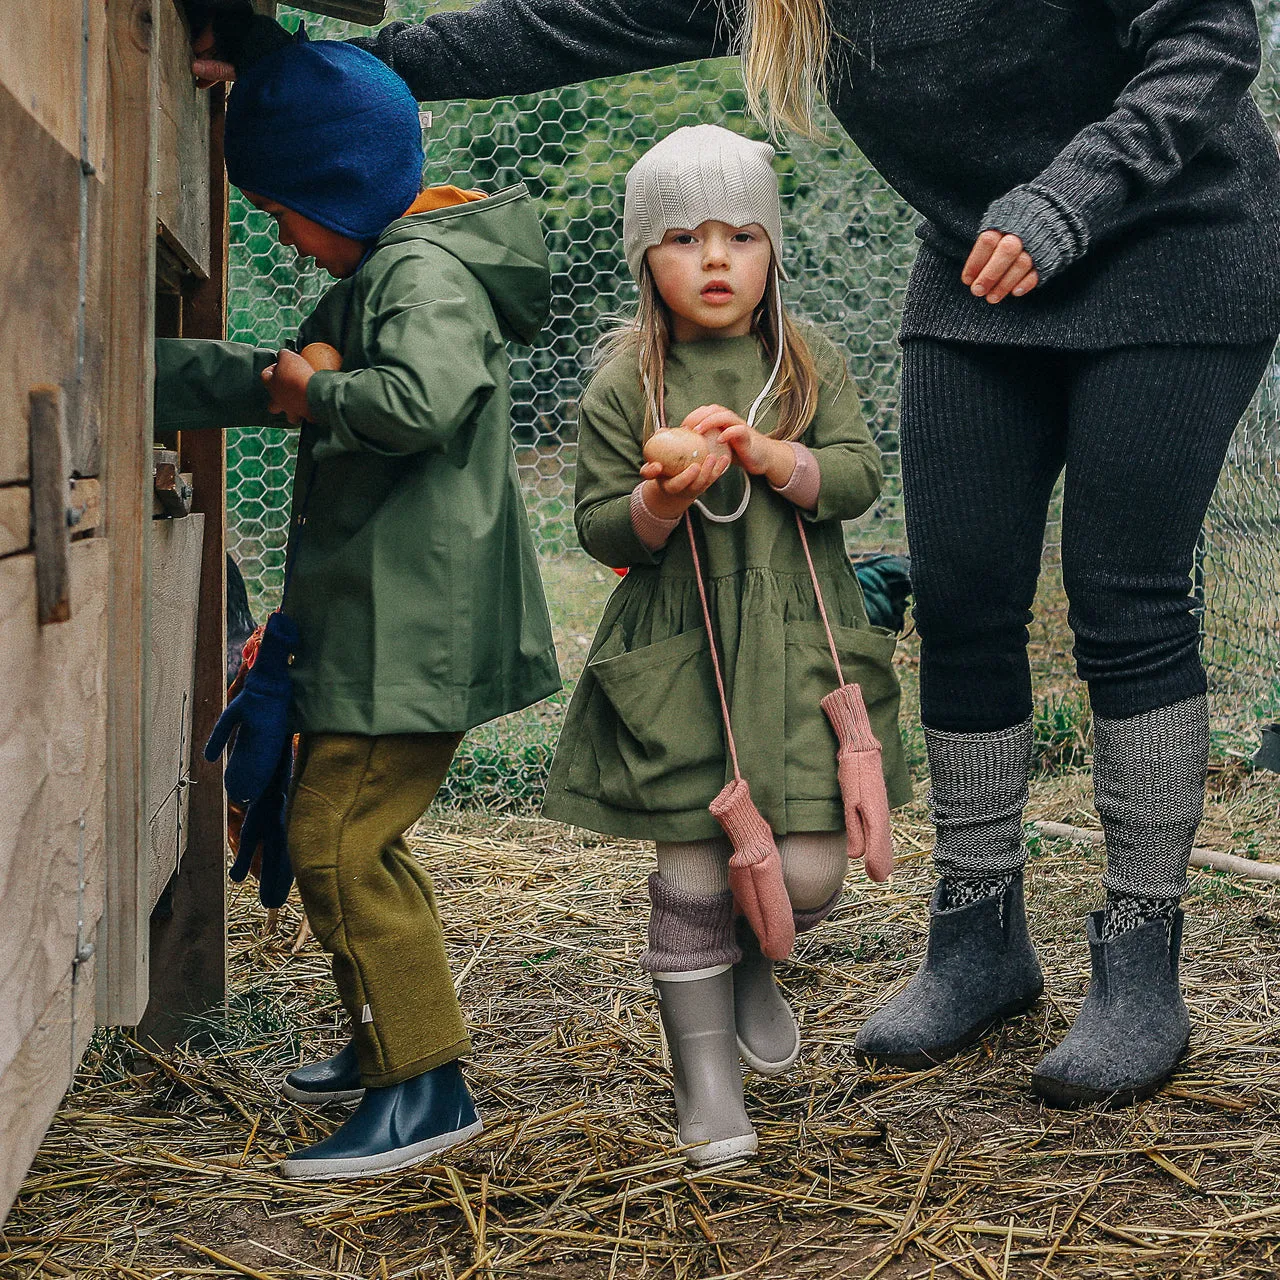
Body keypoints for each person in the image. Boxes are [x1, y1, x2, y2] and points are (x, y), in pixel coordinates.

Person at [189, 0, 1280, 1109]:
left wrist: (1070, 194)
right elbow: (574, 25)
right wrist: (322, 73)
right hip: (977, 272)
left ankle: (1140, 962)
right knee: (960, 599)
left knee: (1122, 600)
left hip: (1169, 245)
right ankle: (976, 936)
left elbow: (1209, 36)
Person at [156, 34, 560, 1178]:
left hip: (413, 638)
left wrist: (317, 389)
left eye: (280, 209)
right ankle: (390, 1040)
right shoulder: (384, 274)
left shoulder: (420, 277)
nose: (279, 233)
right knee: (353, 837)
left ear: (333, 191)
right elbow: (289, 378)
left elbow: (421, 399)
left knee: (337, 840)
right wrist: (176, 374)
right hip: (387, 628)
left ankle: (424, 1092)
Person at [539, 124, 910, 1165]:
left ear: (770, 252)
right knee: (694, 864)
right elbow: (600, 530)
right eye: (682, 237)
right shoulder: (625, 385)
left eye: (739, 235)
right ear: (643, 258)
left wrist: (765, 451)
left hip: (798, 637)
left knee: (805, 870)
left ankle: (762, 947)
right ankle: (705, 1088)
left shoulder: (803, 363)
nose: (713, 258)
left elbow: (855, 478)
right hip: (679, 657)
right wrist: (657, 496)